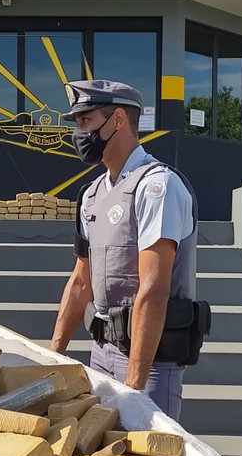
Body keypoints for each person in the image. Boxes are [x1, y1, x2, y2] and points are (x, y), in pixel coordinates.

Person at [49, 78, 200, 422]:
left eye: (85, 120)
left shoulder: (157, 187)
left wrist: (134, 388)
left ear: (117, 119)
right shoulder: (91, 194)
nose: (78, 132)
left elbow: (154, 290)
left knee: (146, 452)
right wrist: (54, 354)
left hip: (150, 361)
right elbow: (81, 280)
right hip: (101, 352)